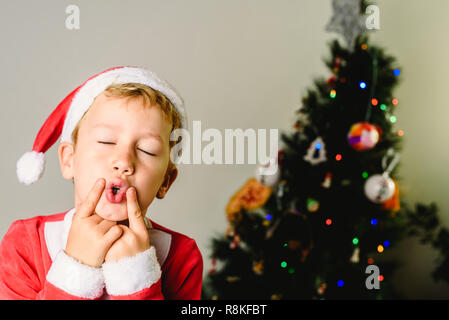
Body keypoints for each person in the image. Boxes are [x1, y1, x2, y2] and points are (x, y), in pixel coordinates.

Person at [0, 66, 203, 300]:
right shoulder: (25, 243)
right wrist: (77, 269)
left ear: (166, 181)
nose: (124, 161)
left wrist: (134, 277)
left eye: (147, 150)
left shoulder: (182, 257)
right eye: (106, 142)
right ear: (69, 160)